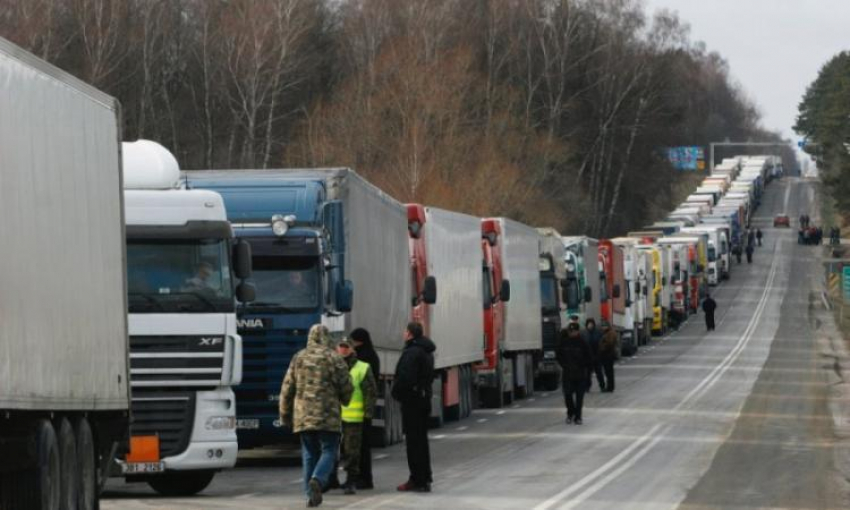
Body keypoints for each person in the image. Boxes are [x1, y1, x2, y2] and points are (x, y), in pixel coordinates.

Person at [279, 324, 353, 508]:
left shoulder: (299, 357)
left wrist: (285, 415)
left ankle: (310, 495)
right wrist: (345, 400)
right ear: (327, 338)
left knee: (309, 454)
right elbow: (347, 388)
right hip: (328, 416)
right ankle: (318, 479)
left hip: (303, 416)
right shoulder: (335, 359)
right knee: (329, 450)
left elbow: (287, 389)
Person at [392, 321, 436, 492]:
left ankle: (417, 479)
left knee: (413, 442)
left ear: (410, 334)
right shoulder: (427, 351)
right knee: (422, 441)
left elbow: (405, 378)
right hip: (424, 399)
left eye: (405, 331)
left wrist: (397, 393)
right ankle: (425, 477)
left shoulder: (412, 352)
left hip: (413, 402)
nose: (404, 334)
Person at [337, 339, 377, 495]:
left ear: (352, 349)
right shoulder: (333, 367)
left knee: (352, 451)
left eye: (347, 347)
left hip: (354, 418)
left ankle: (351, 480)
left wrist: (368, 413)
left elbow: (370, 392)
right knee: (334, 450)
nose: (343, 349)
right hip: (333, 417)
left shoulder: (362, 367)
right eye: (341, 346)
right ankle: (332, 479)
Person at [350, 328, 380, 489]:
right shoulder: (372, 355)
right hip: (362, 408)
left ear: (359, 341)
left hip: (359, 408)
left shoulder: (362, 358)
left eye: (353, 340)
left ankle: (364, 478)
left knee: (360, 446)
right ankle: (362, 477)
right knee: (361, 446)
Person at [556, 323, 592, 425]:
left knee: (579, 397)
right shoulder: (564, 343)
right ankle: (570, 413)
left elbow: (589, 357)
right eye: (570, 331)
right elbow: (559, 355)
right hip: (568, 373)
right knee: (568, 395)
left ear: (577, 331)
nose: (572, 333)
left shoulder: (582, 343)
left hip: (580, 374)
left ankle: (578, 416)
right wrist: (564, 365)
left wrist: (585, 368)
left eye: (574, 331)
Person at [582, 319, 605, 392]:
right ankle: (587, 387)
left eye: (591, 324)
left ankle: (602, 386)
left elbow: (601, 342)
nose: (590, 325)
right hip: (588, 357)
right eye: (589, 324)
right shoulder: (584, 333)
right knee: (587, 374)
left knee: (599, 373)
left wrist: (600, 352)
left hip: (597, 355)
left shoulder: (598, 333)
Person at [598, 321, 619, 393]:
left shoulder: (610, 333)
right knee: (608, 372)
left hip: (608, 355)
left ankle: (610, 387)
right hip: (606, 355)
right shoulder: (606, 333)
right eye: (602, 326)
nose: (603, 327)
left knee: (609, 372)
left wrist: (602, 347)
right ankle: (609, 386)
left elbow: (609, 343)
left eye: (605, 326)